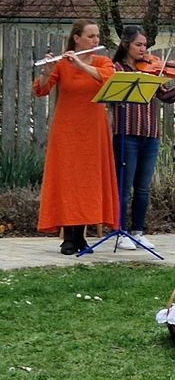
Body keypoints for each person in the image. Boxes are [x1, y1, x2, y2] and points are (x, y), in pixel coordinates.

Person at [110, 26, 175, 250]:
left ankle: (138, 232)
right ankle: (120, 232)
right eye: (138, 45)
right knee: (124, 188)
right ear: (126, 45)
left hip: (150, 135)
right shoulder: (116, 69)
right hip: (126, 134)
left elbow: (167, 96)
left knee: (143, 188)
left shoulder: (152, 71)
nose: (143, 49)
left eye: (145, 45)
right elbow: (110, 96)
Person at [33, 19, 118, 254]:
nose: (96, 40)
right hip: (67, 130)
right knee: (68, 182)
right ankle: (69, 239)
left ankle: (81, 238)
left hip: (93, 130)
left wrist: (81, 64)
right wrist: (47, 72)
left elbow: (108, 78)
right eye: (90, 36)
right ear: (77, 38)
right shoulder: (62, 63)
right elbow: (41, 90)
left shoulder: (102, 61)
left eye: (97, 36)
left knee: (88, 183)